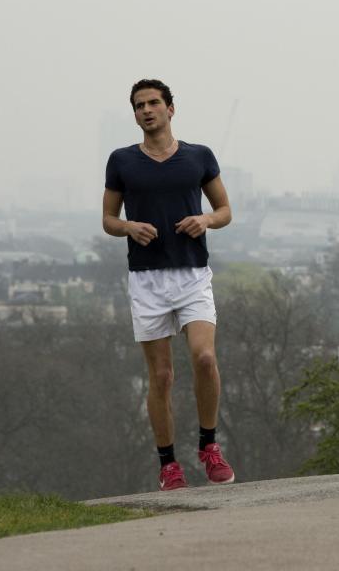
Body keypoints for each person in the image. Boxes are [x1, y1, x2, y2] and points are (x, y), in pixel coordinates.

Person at [102, 79, 235, 491]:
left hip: (193, 273)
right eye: (140, 105)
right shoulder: (122, 160)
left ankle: (209, 447)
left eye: (154, 103)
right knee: (161, 377)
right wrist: (128, 227)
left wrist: (205, 220)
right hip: (147, 280)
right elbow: (108, 219)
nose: (147, 110)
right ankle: (168, 465)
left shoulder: (199, 156)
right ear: (135, 113)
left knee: (205, 359)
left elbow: (225, 209)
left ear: (171, 109)